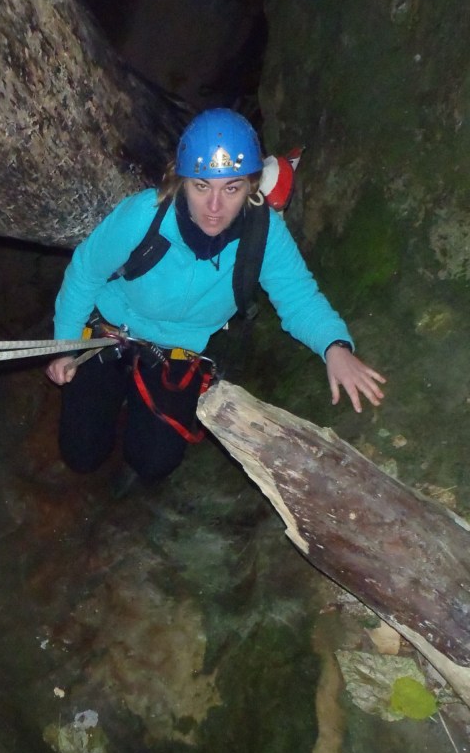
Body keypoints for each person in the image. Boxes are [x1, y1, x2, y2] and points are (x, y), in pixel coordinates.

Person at [46, 108, 385, 483]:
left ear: (251, 185)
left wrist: (334, 346)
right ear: (181, 180)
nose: (214, 207)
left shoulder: (262, 233)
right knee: (81, 455)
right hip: (108, 333)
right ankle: (110, 397)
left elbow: (297, 294)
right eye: (202, 186)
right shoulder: (144, 215)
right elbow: (85, 273)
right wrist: (66, 346)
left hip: (174, 351)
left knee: (153, 464)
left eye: (231, 188)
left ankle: (136, 408)